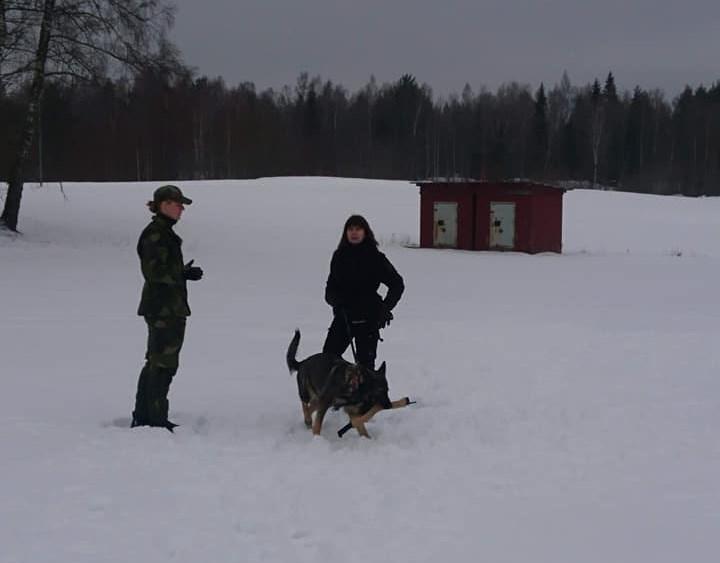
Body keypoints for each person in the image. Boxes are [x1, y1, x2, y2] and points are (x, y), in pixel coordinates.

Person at [131, 185, 203, 431]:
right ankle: (154, 418)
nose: (182, 208)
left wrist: (181, 274)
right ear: (163, 204)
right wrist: (181, 274)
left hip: (168, 307)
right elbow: (153, 271)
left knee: (157, 361)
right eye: (177, 203)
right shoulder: (156, 234)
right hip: (163, 309)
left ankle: (145, 415)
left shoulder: (164, 233)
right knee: (163, 364)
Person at [322, 215, 404, 370]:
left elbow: (397, 284)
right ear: (345, 233)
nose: (354, 233)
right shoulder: (339, 256)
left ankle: (366, 394)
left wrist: (385, 309)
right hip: (344, 315)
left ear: (365, 232)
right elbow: (330, 288)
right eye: (350, 229)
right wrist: (336, 301)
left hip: (369, 317)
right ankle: (336, 392)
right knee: (328, 358)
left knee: (366, 366)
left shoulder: (376, 258)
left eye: (358, 229)